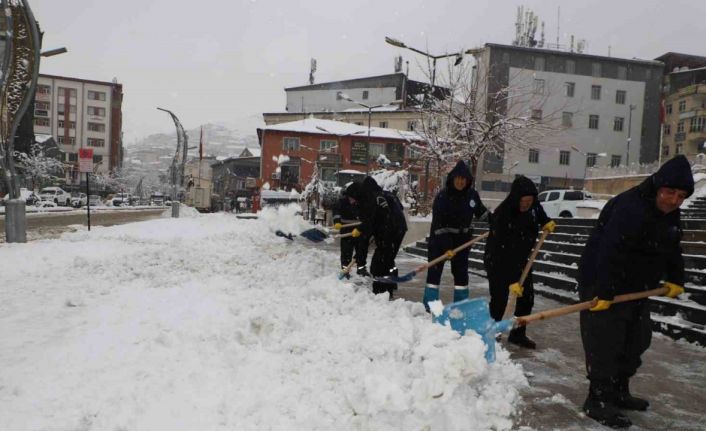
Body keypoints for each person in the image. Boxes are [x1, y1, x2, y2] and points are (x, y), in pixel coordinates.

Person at [577, 155, 692, 429]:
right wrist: (604, 291)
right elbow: (610, 250)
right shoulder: (630, 207)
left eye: (681, 195)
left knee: (636, 339)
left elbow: (673, 246)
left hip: (636, 288)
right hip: (602, 282)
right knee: (606, 342)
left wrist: (676, 278)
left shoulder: (670, 213)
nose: (674, 200)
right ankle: (597, 400)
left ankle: (618, 391)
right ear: (657, 186)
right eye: (670, 193)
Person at [483, 176, 555, 349]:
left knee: (526, 299)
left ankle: (518, 334)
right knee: (499, 300)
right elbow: (502, 250)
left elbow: (538, 211)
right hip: (499, 261)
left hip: (522, 260)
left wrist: (546, 222)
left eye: (529, 201)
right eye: (523, 201)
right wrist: (513, 279)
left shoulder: (533, 206)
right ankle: (494, 334)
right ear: (516, 199)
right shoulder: (503, 214)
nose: (526, 205)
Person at [422, 161, 489, 311]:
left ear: (468, 180)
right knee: (434, 275)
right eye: (458, 178)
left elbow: (482, 213)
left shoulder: (472, 196)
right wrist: (447, 247)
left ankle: (460, 307)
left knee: (461, 277)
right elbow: (439, 224)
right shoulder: (443, 196)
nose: (461, 182)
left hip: (462, 242)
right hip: (439, 242)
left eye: (464, 179)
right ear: (452, 178)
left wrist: (495, 223)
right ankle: (432, 307)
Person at [347, 176, 407, 297]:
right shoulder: (385, 194)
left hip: (389, 231)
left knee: (378, 264)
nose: (350, 202)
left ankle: (381, 292)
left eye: (351, 198)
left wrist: (359, 255)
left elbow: (367, 231)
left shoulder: (369, 201)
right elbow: (399, 208)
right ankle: (390, 287)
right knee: (388, 260)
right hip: (399, 228)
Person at [333, 183, 369, 277]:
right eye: (350, 198)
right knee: (346, 251)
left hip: (359, 229)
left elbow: (368, 216)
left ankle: (361, 269)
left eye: (353, 198)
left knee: (361, 251)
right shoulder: (342, 201)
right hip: (346, 228)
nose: (351, 200)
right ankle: (345, 270)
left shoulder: (363, 202)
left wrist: (362, 228)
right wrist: (337, 221)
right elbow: (336, 211)